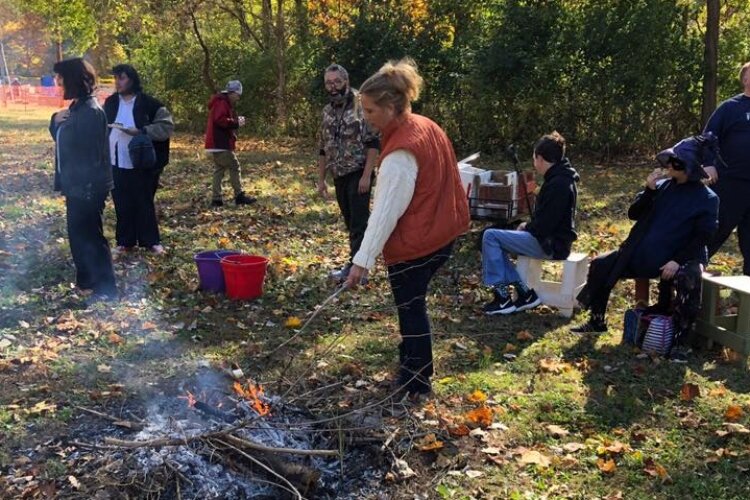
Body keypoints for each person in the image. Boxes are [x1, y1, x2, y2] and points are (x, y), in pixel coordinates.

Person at [345, 58, 470, 398]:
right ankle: (411, 364)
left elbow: (385, 213)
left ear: (390, 106)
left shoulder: (400, 154)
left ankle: (416, 379)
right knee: (413, 304)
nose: (366, 117)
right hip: (441, 233)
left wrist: (362, 261)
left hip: (418, 243)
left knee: (411, 306)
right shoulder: (424, 125)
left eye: (370, 111)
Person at [572, 134, 719, 359]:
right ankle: (597, 320)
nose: (669, 166)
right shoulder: (663, 187)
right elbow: (634, 214)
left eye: (675, 162)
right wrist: (649, 190)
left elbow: (702, 237)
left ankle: (680, 342)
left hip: (681, 257)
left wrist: (677, 260)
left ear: (686, 167)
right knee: (602, 263)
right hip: (644, 253)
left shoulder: (707, 199)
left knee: (690, 277)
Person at [482, 132, 579, 315]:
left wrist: (526, 227)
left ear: (540, 158)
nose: (534, 163)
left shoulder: (558, 184)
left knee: (490, 236)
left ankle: (502, 298)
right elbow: (548, 219)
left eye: (534, 158)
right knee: (493, 235)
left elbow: (545, 226)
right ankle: (524, 293)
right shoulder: (562, 178)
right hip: (550, 239)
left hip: (551, 244)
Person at [49, 58, 117, 300]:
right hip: (76, 185)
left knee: (89, 235)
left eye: (61, 77)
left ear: (73, 80)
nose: (57, 82)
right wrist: (54, 121)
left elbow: (90, 154)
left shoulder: (89, 111)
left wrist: (86, 188)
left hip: (88, 186)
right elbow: (63, 139)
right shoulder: (78, 107)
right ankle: (87, 281)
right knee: (79, 235)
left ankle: (106, 288)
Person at [317, 64, 380, 282]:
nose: (332, 87)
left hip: (359, 172)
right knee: (349, 220)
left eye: (336, 81)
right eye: (328, 82)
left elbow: (374, 143)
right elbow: (323, 148)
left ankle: (360, 269)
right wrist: (321, 180)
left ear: (345, 81)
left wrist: (366, 175)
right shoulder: (326, 111)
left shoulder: (361, 106)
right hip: (338, 174)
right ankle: (356, 263)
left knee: (359, 222)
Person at [104, 64, 174, 254]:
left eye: (122, 77)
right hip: (116, 160)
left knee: (143, 200)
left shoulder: (150, 104)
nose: (118, 82)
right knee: (122, 201)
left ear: (132, 79)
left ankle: (150, 241)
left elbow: (166, 127)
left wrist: (142, 131)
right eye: (116, 78)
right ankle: (125, 241)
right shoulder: (110, 103)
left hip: (141, 161)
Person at [704, 62, 750, 274]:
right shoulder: (730, 108)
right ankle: (688, 274)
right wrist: (709, 164)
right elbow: (708, 138)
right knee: (716, 231)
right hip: (730, 183)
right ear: (746, 80)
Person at [204, 80, 256, 207]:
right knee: (234, 165)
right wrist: (236, 123)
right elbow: (220, 120)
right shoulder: (222, 102)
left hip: (215, 143)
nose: (238, 98)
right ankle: (239, 196)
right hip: (219, 143)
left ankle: (216, 199)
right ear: (232, 93)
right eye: (237, 95)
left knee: (219, 169)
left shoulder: (221, 101)